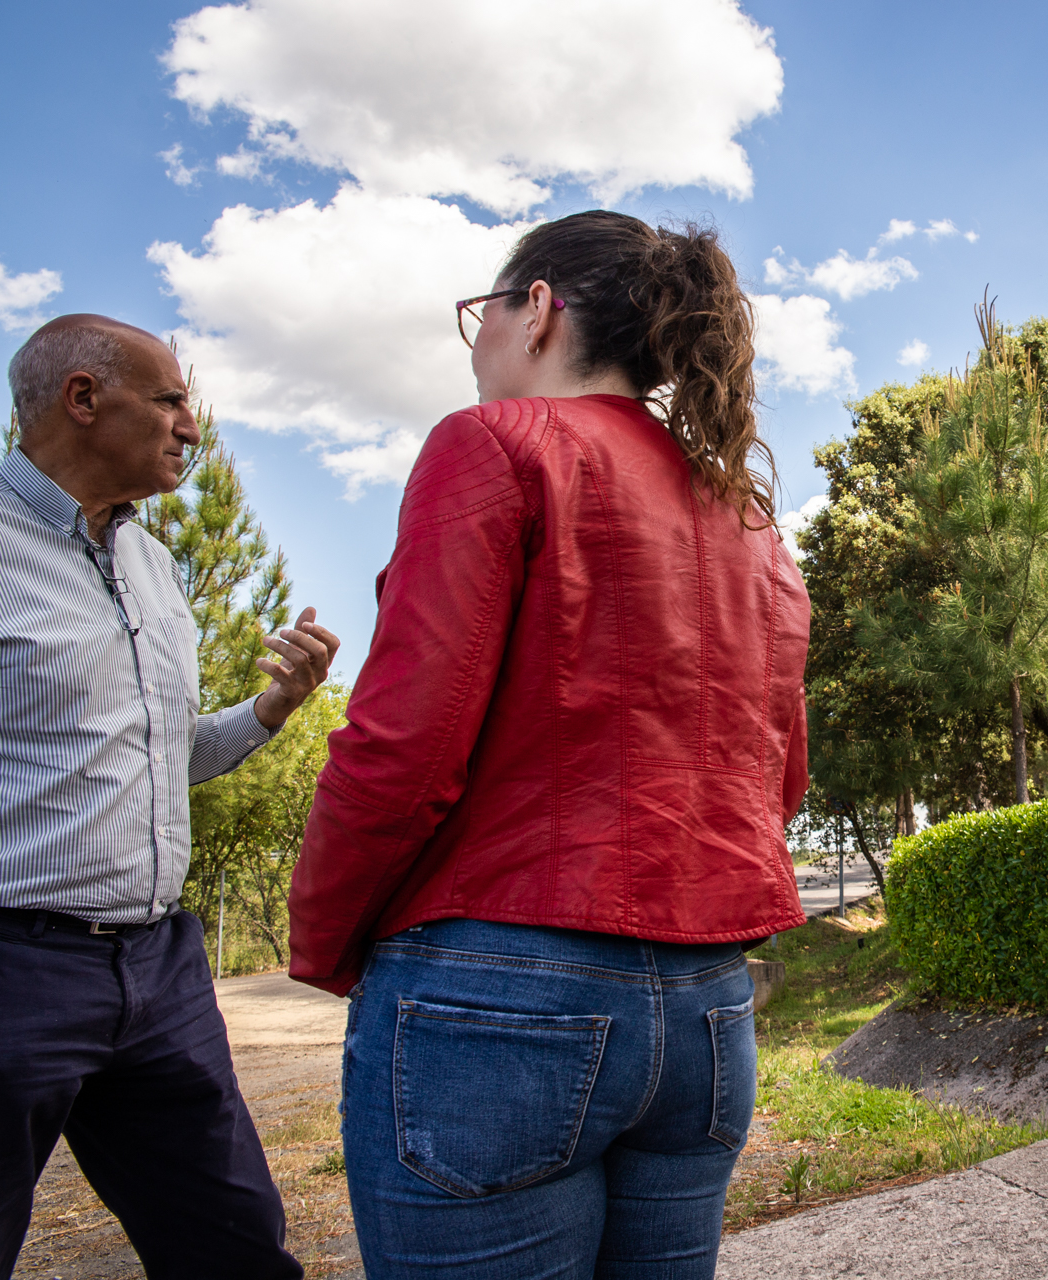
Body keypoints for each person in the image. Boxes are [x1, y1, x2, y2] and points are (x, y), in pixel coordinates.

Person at [287, 210, 811, 1279]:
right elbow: (778, 775)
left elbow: (403, 745)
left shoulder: (492, 445)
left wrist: (327, 933)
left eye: (480, 313)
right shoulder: (750, 522)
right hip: (708, 1008)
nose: (475, 341)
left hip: (501, 984)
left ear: (535, 309)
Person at [0, 315, 340, 1279]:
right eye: (171, 399)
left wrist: (272, 710)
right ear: (82, 398)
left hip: (160, 973)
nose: (192, 425)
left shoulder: (151, 565)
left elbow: (147, 754)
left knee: (236, 1250)